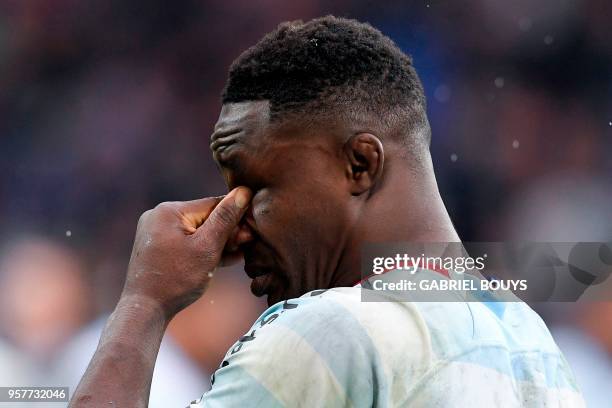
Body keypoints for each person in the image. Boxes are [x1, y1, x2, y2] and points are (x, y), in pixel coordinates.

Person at [70, 16, 584, 407]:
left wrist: (144, 302)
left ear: (360, 164)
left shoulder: (331, 333)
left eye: (255, 188)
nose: (233, 224)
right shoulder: (529, 340)